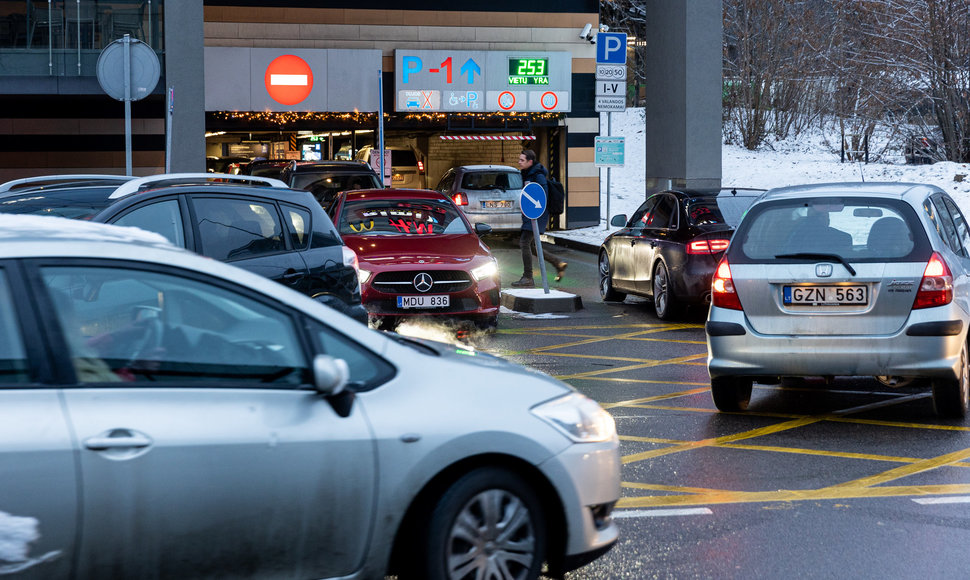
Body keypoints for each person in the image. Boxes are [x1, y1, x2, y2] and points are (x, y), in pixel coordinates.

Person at [511, 149, 567, 288]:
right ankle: (557, 263)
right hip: (532, 215)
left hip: (536, 215)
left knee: (524, 242)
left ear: (530, 161)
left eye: (522, 160)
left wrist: (534, 213)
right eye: (519, 159)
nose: (519, 162)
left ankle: (528, 277)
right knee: (532, 245)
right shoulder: (528, 173)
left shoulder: (538, 174)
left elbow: (542, 196)